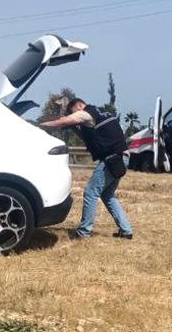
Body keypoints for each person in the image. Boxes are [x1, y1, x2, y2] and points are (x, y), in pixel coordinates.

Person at [40, 98, 132, 240]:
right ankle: (126, 231)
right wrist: (74, 128)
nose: (74, 116)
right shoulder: (103, 113)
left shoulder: (86, 112)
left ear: (79, 105)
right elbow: (89, 136)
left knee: (90, 192)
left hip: (112, 159)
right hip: (121, 157)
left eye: (73, 112)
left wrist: (41, 125)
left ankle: (84, 232)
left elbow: (64, 121)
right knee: (107, 195)